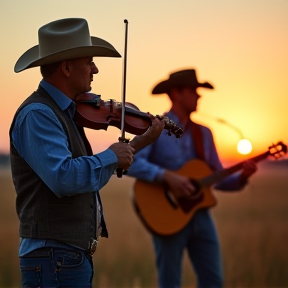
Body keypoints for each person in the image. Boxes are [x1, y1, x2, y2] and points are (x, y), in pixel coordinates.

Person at [9, 18, 165, 287]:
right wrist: (111, 155)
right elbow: (64, 178)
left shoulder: (68, 112)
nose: (95, 69)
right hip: (53, 259)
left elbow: (86, 176)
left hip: (64, 258)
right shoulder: (38, 114)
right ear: (67, 67)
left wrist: (138, 143)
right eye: (89, 61)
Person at [127, 69, 257, 288]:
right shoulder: (155, 128)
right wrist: (167, 177)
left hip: (201, 215)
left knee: (213, 281)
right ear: (176, 94)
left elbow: (216, 178)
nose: (199, 96)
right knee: (170, 283)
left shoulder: (204, 133)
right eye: (193, 91)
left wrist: (242, 176)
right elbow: (130, 161)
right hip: (168, 215)